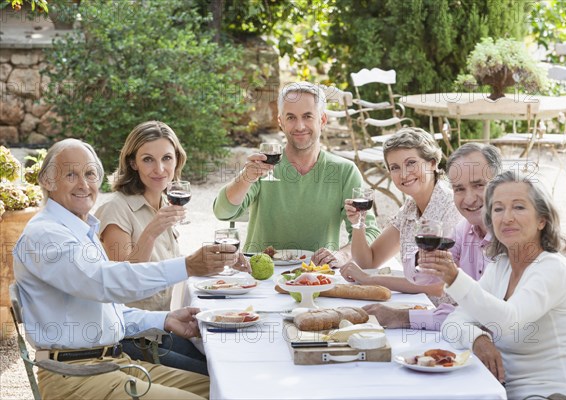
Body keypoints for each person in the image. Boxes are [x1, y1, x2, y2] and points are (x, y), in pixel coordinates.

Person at [13, 139, 244, 399]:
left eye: (90, 174)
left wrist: (164, 320)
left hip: (114, 362)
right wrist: (187, 266)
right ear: (47, 181)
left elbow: (108, 310)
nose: (83, 184)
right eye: (70, 174)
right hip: (75, 377)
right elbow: (105, 283)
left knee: (225, 388)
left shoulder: (79, 229)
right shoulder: (46, 235)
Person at [422, 171, 566, 399]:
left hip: (556, 394)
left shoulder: (553, 269)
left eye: (519, 207)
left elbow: (509, 321)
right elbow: (453, 322)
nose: (506, 218)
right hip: (505, 391)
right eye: (498, 208)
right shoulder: (501, 267)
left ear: (542, 220)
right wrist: (478, 339)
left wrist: (456, 278)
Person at [95, 121, 221, 375]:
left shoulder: (164, 203)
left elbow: (167, 264)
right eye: (148, 159)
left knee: (223, 359)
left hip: (163, 328)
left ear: (177, 160)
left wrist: (219, 263)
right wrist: (151, 231)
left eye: (167, 158)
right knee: (213, 375)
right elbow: (121, 283)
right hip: (131, 338)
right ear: (133, 163)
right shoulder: (116, 210)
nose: (160, 169)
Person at [213, 82, 380, 267]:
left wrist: (341, 255)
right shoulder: (262, 165)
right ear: (280, 122)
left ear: (322, 120)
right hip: (260, 274)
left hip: (316, 275)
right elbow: (222, 212)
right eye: (291, 117)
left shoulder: (344, 171)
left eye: (308, 116)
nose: (300, 126)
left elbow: (370, 232)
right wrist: (246, 177)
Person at [361, 143, 502, 330]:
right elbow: (423, 278)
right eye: (459, 189)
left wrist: (404, 317)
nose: (468, 199)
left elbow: (488, 320)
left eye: (478, 185)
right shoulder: (465, 229)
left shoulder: (512, 238)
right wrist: (422, 256)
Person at [338, 127, 464, 330]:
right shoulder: (410, 208)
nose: (403, 174)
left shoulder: (452, 208)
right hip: (421, 310)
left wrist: (372, 279)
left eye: (411, 163)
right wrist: (358, 223)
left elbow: (438, 284)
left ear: (432, 163)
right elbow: (368, 260)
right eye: (394, 167)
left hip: (450, 321)